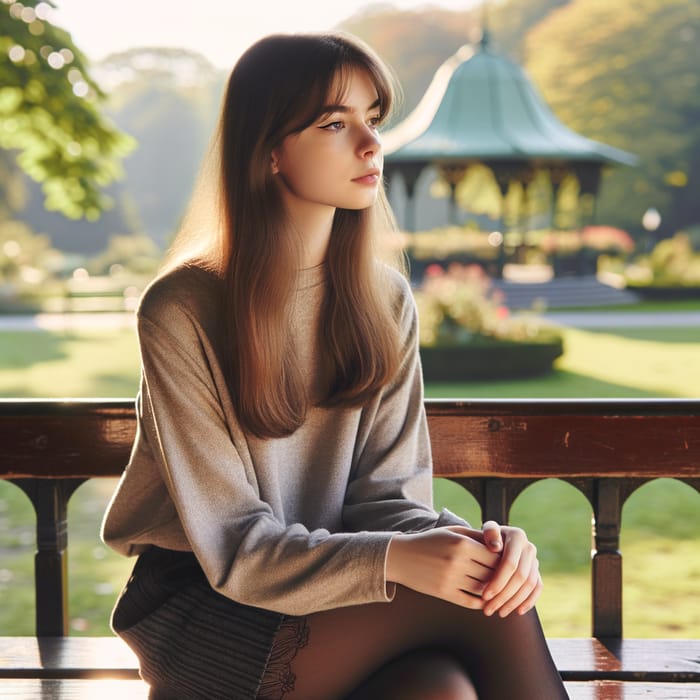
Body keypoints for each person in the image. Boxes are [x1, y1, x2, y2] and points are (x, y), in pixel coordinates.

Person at [101, 32, 569, 700]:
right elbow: (235, 546)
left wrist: (478, 544)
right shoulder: (183, 309)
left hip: (337, 596)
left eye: (373, 119)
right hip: (206, 606)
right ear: (268, 150)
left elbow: (390, 501)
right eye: (333, 123)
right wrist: (407, 561)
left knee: (441, 689)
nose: (372, 143)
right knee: (491, 606)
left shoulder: (384, 299)